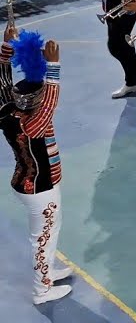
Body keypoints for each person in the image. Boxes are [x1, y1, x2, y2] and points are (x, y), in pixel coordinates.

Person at [1, 28, 75, 305]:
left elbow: (3, 79)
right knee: (43, 240)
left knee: (45, 237)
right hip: (39, 189)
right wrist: (53, 67)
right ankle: (42, 290)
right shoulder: (34, 124)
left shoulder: (8, 111)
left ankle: (48, 273)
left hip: (28, 182)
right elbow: (51, 103)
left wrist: (8, 46)